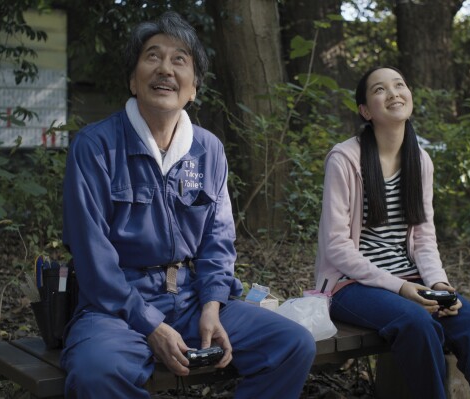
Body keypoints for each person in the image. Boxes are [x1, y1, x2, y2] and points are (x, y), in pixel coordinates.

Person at [61, 11, 315, 399]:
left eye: (179, 59)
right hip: (115, 307)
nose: (165, 69)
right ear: (133, 79)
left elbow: (218, 242)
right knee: (96, 371)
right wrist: (150, 325)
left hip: (192, 299)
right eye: (152, 57)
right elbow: (93, 259)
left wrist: (212, 305)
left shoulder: (208, 149)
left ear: (194, 87)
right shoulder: (96, 146)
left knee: (293, 344)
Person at [314, 66, 470, 398]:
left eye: (400, 85)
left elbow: (424, 235)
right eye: (380, 89)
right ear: (366, 111)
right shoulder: (344, 159)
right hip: (349, 285)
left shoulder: (420, 160)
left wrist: (438, 283)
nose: (394, 93)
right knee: (416, 323)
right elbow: (336, 246)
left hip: (411, 280)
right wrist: (401, 288)